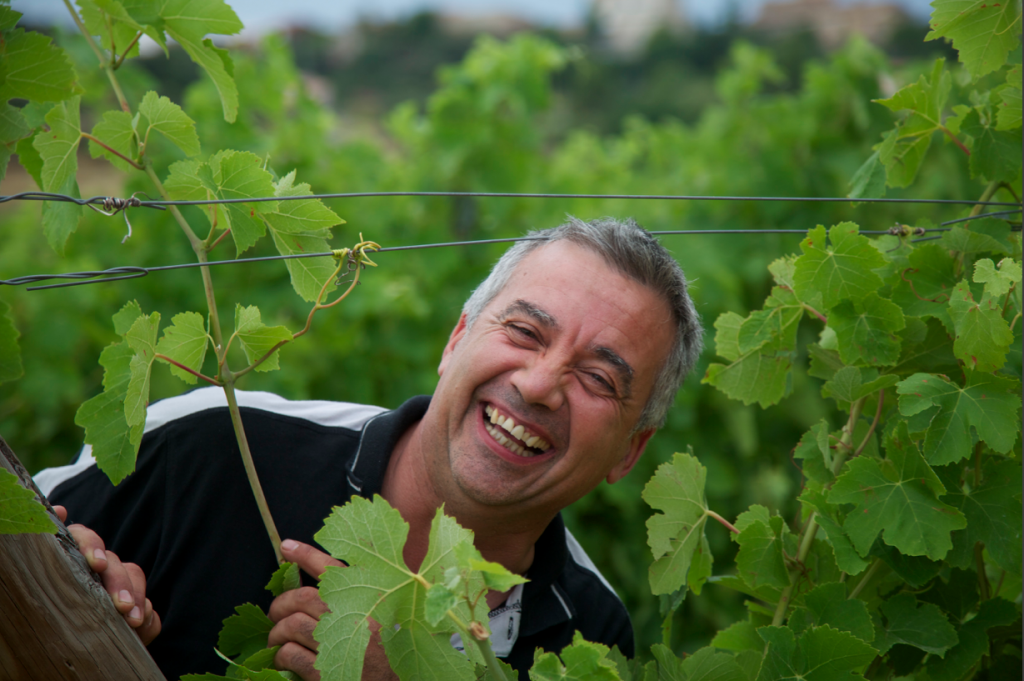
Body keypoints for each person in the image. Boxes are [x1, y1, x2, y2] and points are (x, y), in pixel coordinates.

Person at [36, 216, 703, 680]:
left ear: (629, 452)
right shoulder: (212, 442)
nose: (538, 384)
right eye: (525, 331)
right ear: (454, 342)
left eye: (597, 378)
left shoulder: (591, 632)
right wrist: (69, 616)